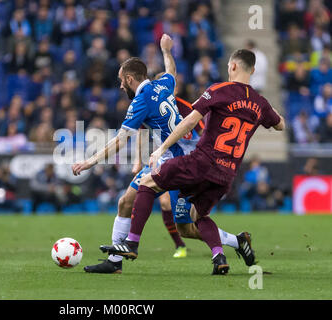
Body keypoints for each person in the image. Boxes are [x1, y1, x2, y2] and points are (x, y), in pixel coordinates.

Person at [102, 48, 285, 275]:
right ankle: (224, 253)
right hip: (227, 174)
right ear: (254, 70)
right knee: (192, 222)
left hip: (199, 163)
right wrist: (267, 110)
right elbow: (280, 125)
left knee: (148, 185)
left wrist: (162, 148)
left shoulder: (218, 91)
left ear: (233, 66)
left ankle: (131, 244)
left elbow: (190, 123)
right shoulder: (260, 103)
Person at [73, 35, 245, 274]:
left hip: (178, 161)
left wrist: (89, 161)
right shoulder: (163, 84)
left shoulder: (140, 101)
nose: (121, 86)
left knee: (184, 225)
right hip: (180, 155)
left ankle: (132, 244)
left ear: (130, 79)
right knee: (126, 202)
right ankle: (115, 261)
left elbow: (121, 140)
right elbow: (171, 71)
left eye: (121, 82)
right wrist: (166, 51)